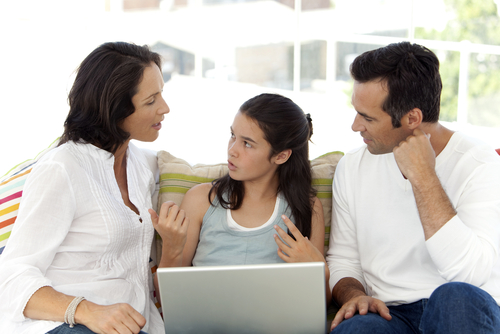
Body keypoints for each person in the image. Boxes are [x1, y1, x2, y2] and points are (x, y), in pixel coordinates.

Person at [326, 41, 500, 333]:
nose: (356, 126)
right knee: (357, 329)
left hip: (460, 310)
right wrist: (354, 295)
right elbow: (344, 260)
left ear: (412, 119)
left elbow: (470, 274)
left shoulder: (480, 164)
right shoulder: (353, 166)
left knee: (453, 298)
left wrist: (423, 176)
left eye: (367, 117)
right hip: (390, 315)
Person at [0, 42, 171, 334]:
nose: (165, 109)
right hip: (66, 325)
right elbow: (11, 276)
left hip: (131, 327)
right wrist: (87, 311)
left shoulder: (140, 166)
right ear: (115, 108)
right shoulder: (62, 168)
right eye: (151, 101)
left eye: (162, 95)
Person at [149, 93, 331, 304]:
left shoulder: (307, 208)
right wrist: (171, 246)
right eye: (233, 135)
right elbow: (166, 297)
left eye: (247, 144)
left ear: (281, 155)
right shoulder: (201, 200)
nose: (232, 150)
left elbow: (321, 303)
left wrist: (319, 271)